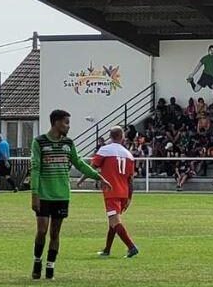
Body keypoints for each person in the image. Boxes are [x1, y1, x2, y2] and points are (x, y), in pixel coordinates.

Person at [31, 110, 111, 280]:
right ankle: (37, 261)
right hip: (44, 195)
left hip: (62, 195)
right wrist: (34, 194)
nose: (68, 126)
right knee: (41, 231)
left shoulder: (68, 143)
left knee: (55, 233)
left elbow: (80, 163)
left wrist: (99, 176)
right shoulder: (39, 142)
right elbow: (36, 169)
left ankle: (50, 268)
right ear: (56, 123)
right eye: (66, 122)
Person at [77, 126, 138, 258]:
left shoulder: (104, 150)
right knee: (113, 222)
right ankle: (107, 250)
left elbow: (91, 168)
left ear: (110, 137)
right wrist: (129, 198)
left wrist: (81, 179)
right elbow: (131, 179)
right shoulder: (129, 155)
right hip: (124, 193)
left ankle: (131, 247)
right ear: (122, 137)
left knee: (115, 222)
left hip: (111, 192)